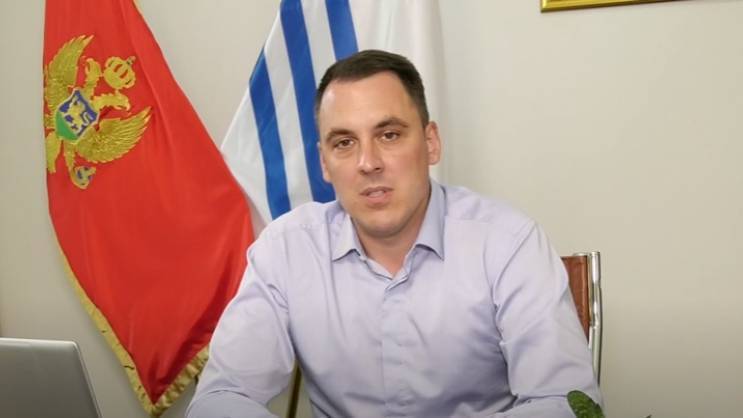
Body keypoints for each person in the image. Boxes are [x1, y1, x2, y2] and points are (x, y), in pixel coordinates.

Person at [187, 50, 602, 418]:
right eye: (344, 142)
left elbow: (566, 402)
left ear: (431, 143)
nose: (368, 163)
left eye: (389, 135)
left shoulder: (508, 243)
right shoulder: (286, 250)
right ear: (325, 164)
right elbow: (221, 397)